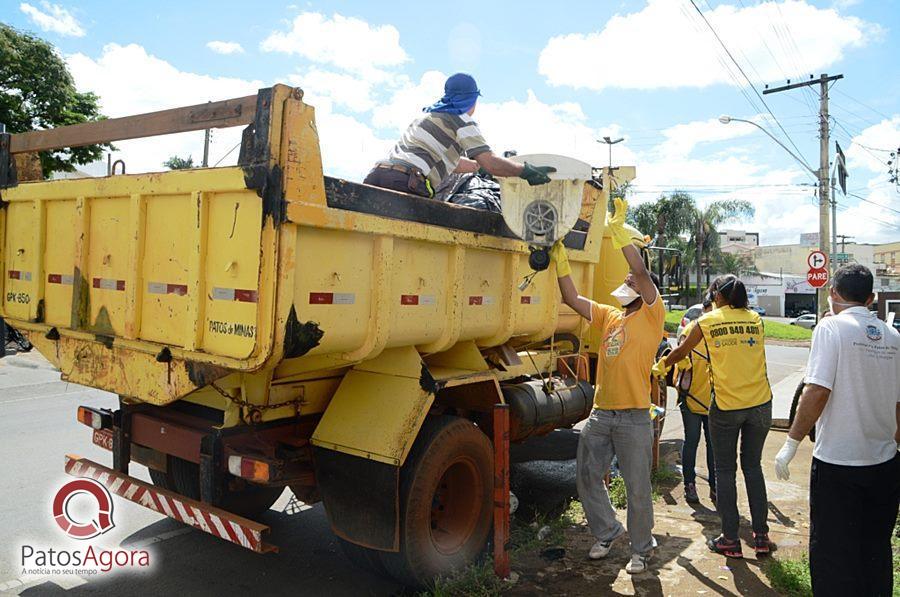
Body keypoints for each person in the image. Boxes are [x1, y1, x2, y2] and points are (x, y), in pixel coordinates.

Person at [550, 198, 664, 575]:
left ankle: (642, 549)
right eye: (627, 281)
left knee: (636, 488)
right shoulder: (611, 315)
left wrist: (617, 232)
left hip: (633, 417)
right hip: (601, 415)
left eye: (632, 280)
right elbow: (571, 298)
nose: (627, 280)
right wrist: (560, 260)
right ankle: (607, 531)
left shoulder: (651, 314)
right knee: (586, 476)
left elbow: (640, 271)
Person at [773, 264, 899, 597]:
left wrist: (791, 442)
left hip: (838, 466)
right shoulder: (894, 337)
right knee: (875, 553)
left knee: (833, 557)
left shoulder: (831, 329)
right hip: (884, 465)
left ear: (833, 293)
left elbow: (817, 390)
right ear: (871, 298)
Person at [658, 274, 773, 559]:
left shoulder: (706, 321)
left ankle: (731, 539)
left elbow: (681, 351)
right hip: (760, 403)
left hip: (726, 405)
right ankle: (760, 537)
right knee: (753, 468)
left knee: (725, 471)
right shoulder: (756, 320)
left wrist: (661, 365)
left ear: (717, 297)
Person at [363, 73, 556, 198]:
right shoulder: (461, 120)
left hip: (378, 175)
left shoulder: (428, 116)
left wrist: (477, 168)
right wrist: (525, 171)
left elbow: (452, 163)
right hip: (406, 183)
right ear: (473, 100)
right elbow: (490, 161)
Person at [674, 295, 716, 505]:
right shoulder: (691, 330)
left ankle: (715, 485)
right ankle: (690, 484)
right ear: (705, 308)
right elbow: (678, 357)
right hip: (692, 397)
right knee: (692, 441)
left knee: (712, 445)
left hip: (713, 400)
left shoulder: (717, 330)